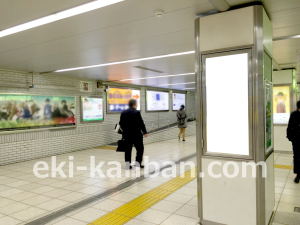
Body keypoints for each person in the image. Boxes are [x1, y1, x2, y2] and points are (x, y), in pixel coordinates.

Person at [119, 99, 148, 170]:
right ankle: (138, 164)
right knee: (140, 149)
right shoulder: (136, 112)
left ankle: (127, 165)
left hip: (127, 134)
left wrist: (125, 130)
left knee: (127, 150)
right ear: (134, 105)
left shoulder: (123, 113)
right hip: (136, 134)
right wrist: (144, 132)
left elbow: (121, 124)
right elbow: (141, 123)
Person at [287, 101, 300, 183]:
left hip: (296, 140)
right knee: (297, 157)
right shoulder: (294, 115)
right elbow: (289, 127)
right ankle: (298, 174)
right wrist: (290, 138)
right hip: (296, 141)